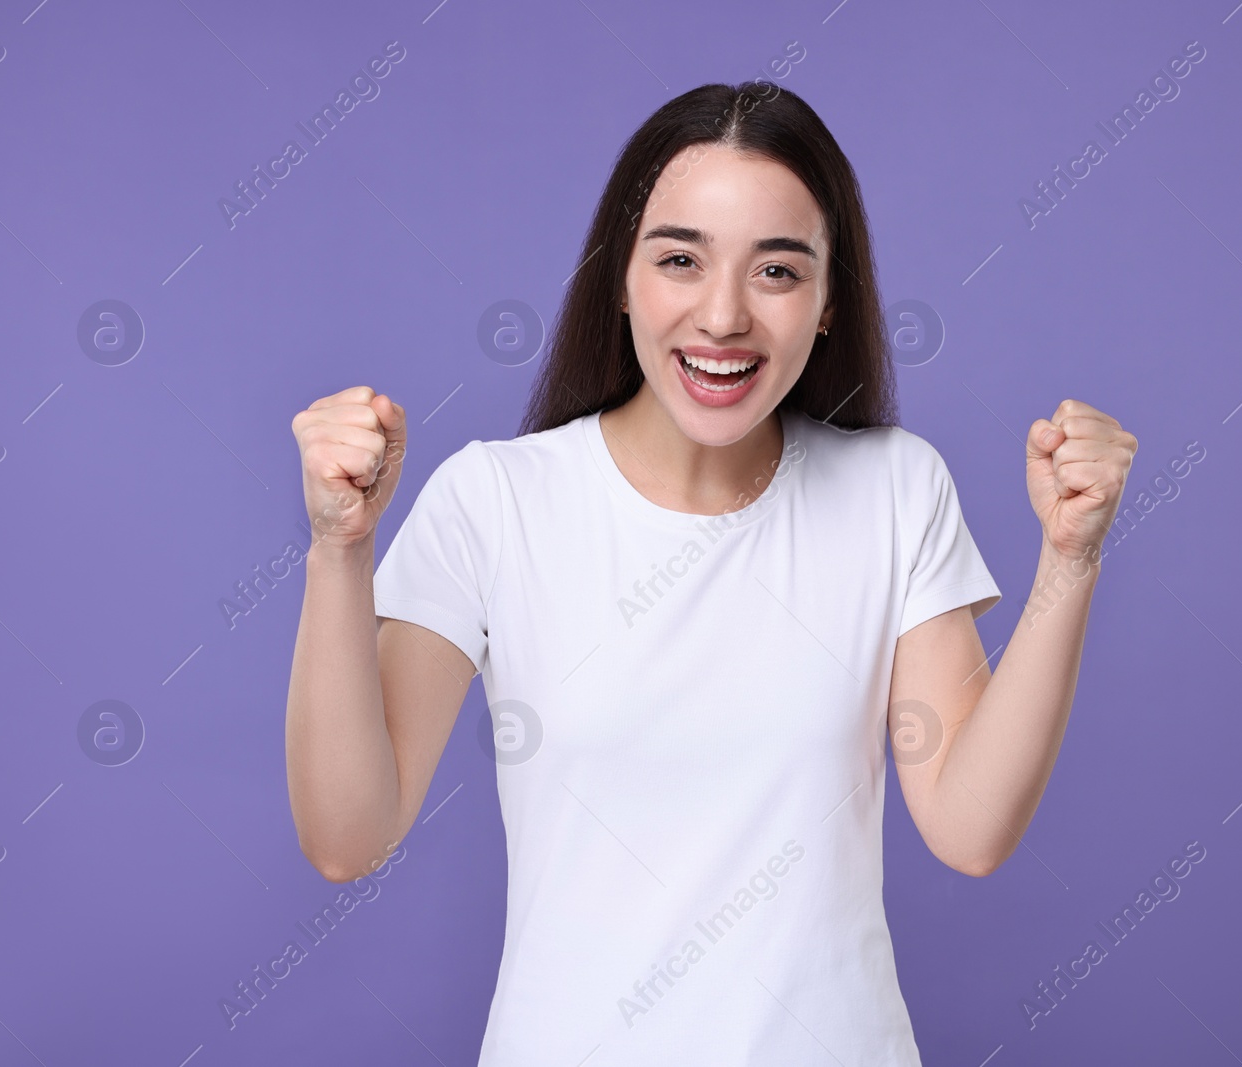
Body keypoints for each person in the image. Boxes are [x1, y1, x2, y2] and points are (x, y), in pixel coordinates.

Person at [286, 81, 1135, 1065]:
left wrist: (1069, 559)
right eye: (680, 259)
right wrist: (338, 550)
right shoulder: (495, 501)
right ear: (621, 279)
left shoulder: (893, 489)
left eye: (777, 269)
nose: (723, 314)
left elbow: (969, 825)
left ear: (826, 304)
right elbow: (347, 835)